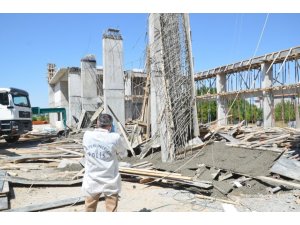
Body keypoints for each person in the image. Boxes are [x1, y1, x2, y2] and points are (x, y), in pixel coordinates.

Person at [82, 113, 128, 212]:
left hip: (92, 180)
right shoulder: (115, 137)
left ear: (97, 123)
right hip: (110, 180)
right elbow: (124, 154)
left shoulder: (87, 135)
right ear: (110, 126)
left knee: (89, 209)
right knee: (111, 210)